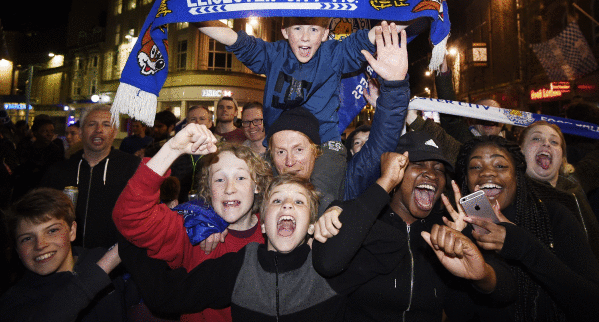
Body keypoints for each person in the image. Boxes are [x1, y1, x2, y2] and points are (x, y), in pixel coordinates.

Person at [154, 0, 449, 203]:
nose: (305, 38)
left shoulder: (336, 52)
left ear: (325, 33)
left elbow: (383, 31)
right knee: (258, 201)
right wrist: (180, 2)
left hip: (325, 151)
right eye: (297, 29)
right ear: (284, 32)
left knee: (317, 203)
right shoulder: (273, 54)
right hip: (279, 151)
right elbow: (230, 37)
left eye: (313, 30)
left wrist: (428, 0)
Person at [116, 152, 429, 321]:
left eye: (299, 202)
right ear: (263, 223)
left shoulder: (328, 269)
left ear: (311, 223)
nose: (287, 205)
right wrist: (129, 244)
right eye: (277, 200)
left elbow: (393, 247)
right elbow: (167, 295)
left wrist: (342, 213)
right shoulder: (239, 267)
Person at [312, 131, 514, 321]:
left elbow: (507, 290)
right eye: (418, 164)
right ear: (397, 170)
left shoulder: (450, 227)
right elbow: (327, 262)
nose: (431, 174)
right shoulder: (361, 217)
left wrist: (481, 272)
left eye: (439, 169)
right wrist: (385, 181)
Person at [112, 124, 272, 322]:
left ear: (257, 185)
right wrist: (172, 149)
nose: (229, 188)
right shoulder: (193, 231)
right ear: (208, 188)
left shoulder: (274, 236)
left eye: (240, 177)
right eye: (219, 179)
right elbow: (129, 217)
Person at [267, 24, 412, 213]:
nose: (289, 161)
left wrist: (393, 86)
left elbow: (380, 145)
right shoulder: (257, 190)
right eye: (280, 152)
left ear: (315, 151)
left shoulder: (342, 186)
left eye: (299, 149)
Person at [454, 135, 599, 321]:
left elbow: (592, 305)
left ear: (517, 176)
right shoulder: (462, 233)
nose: (487, 173)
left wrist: (522, 245)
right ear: (466, 179)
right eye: (475, 167)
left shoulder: (554, 218)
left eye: (500, 166)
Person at [0, 188, 125, 322]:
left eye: (52, 230)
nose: (40, 245)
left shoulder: (97, 256)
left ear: (72, 231)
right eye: (27, 239)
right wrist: (106, 265)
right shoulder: (13, 301)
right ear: (17, 250)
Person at [40, 105, 141, 249]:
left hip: (118, 261)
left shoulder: (132, 168)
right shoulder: (59, 171)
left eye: (106, 125)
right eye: (92, 124)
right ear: (81, 132)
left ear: (115, 132)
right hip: (67, 258)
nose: (98, 130)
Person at [518, 120, 599, 259]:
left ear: (562, 158)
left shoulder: (574, 183)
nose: (546, 143)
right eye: (536, 138)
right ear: (520, 151)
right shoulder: (514, 196)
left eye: (554, 142)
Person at [13, 117, 65, 201]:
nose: (49, 134)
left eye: (51, 131)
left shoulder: (56, 151)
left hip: (47, 195)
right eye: (45, 131)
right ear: (35, 133)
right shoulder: (26, 149)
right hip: (27, 194)